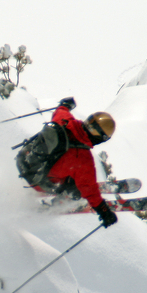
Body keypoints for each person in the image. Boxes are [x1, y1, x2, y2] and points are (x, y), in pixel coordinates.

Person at [38, 97, 118, 227]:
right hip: (42, 182)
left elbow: (60, 111)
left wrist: (65, 105)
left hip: (27, 163)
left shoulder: (65, 121)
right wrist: (104, 211)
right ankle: (51, 208)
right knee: (77, 190)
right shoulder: (83, 158)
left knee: (70, 173)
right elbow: (89, 190)